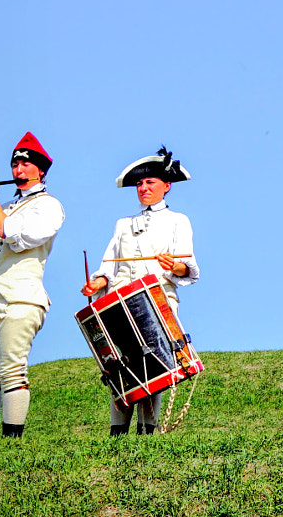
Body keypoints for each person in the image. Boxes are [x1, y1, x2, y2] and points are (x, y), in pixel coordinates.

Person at [83, 146, 197, 435]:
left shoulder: (178, 220)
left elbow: (189, 268)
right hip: (119, 302)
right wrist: (96, 283)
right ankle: (117, 431)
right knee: (119, 364)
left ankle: (147, 429)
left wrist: (175, 265)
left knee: (154, 363)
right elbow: (108, 266)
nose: (144, 188)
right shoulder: (123, 224)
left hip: (158, 300)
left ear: (166, 187)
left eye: (150, 183)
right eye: (139, 184)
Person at [0, 132, 65, 438]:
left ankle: (12, 441)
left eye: (24, 163)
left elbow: (10, 234)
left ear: (40, 170)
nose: (17, 170)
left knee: (12, 371)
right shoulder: (4, 206)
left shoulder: (48, 206)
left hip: (20, 299)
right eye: (14, 164)